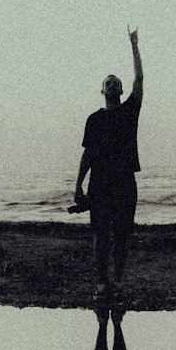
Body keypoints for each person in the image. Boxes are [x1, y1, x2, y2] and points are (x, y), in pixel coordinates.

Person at [74, 26, 143, 288]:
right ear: (102, 91)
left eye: (116, 83)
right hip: (100, 183)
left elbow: (140, 79)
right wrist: (77, 184)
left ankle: (118, 280)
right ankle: (102, 282)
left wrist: (134, 45)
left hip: (125, 182)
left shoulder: (130, 111)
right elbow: (87, 154)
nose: (112, 84)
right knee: (100, 236)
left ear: (121, 91)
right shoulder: (94, 119)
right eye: (107, 83)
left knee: (123, 236)